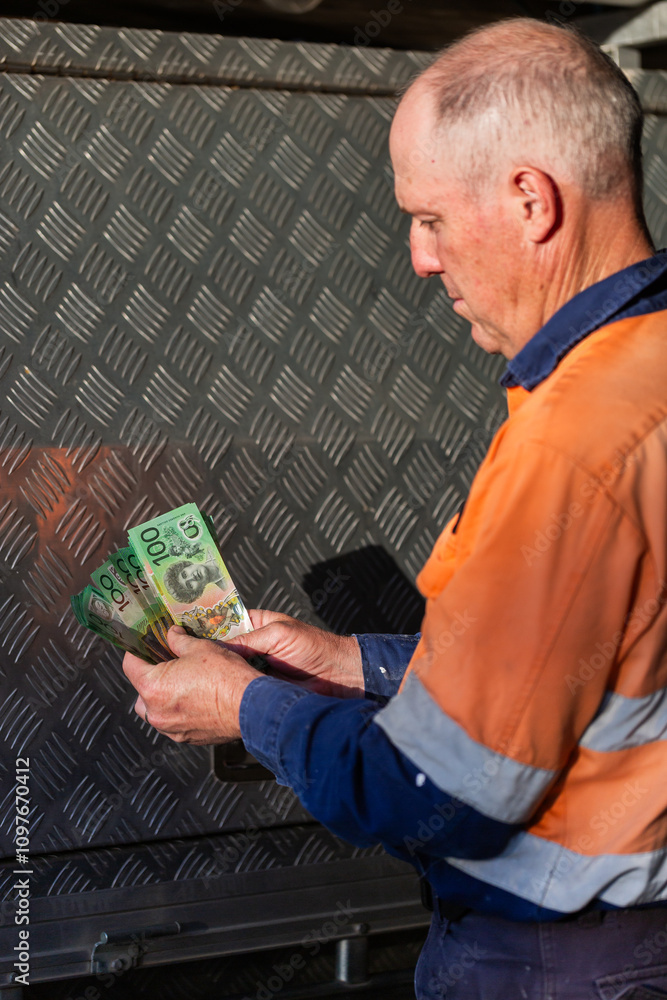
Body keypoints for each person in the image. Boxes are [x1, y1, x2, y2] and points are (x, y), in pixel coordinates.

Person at [123, 18, 667, 998]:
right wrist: (346, 662)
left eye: (428, 219)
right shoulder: (641, 375)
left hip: (555, 960)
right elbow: (590, 672)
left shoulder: (574, 444)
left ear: (530, 200)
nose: (419, 258)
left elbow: (435, 794)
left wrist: (245, 705)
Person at [163, 552, 228, 603]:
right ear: (198, 591)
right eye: (190, 585)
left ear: (186, 565)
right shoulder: (227, 588)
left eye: (184, 574)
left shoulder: (211, 548)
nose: (192, 577)